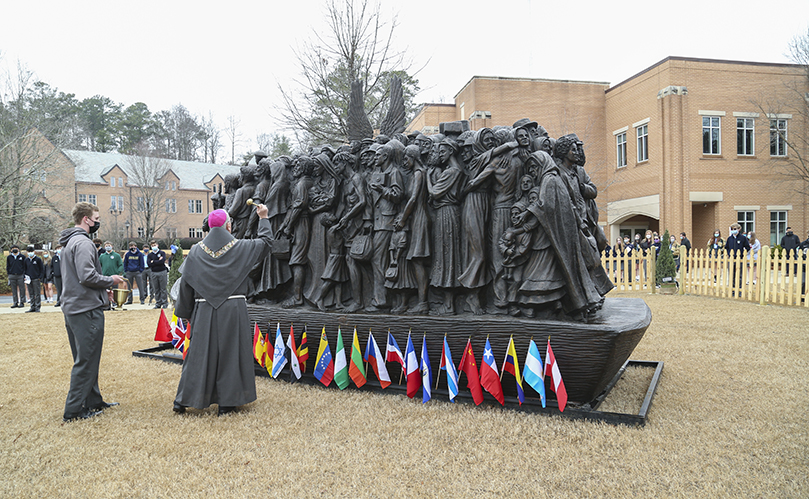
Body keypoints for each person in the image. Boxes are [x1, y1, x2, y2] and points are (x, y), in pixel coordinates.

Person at [172, 206, 272, 416]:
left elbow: (186, 285)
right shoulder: (241, 247)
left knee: (199, 354)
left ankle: (185, 400)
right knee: (231, 352)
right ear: (228, 226)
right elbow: (266, 243)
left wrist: (187, 312)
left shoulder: (196, 251)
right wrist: (263, 218)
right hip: (233, 308)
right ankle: (227, 403)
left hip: (203, 308)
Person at [59, 201, 125, 422]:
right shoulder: (84, 244)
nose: (98, 223)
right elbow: (86, 276)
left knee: (86, 357)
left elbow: (79, 278)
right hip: (85, 310)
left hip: (75, 307)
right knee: (86, 360)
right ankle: (74, 411)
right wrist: (111, 280)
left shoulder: (69, 243)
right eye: (96, 219)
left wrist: (101, 290)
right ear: (86, 219)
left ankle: (94, 401)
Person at [100, 241, 124, 309]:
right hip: (105, 276)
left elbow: (120, 265)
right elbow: (99, 265)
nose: (108, 247)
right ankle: (106, 304)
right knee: (105, 291)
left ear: (112, 246)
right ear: (104, 247)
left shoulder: (116, 255)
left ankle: (115, 303)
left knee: (114, 290)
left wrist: (118, 272)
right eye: (106, 245)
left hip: (114, 277)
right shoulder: (102, 256)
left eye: (109, 245)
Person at [725, 223, 750, 290]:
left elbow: (747, 247)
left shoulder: (743, 238)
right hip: (731, 259)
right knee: (731, 274)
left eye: (735, 229)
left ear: (739, 229)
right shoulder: (729, 238)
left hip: (740, 259)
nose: (733, 230)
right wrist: (729, 254)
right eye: (732, 229)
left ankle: (739, 289)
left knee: (739, 275)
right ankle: (732, 289)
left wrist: (743, 253)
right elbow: (726, 247)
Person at [146, 240, 168, 309]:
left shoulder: (162, 253)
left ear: (157, 245)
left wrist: (154, 261)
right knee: (156, 289)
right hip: (153, 272)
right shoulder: (150, 255)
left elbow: (162, 261)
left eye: (155, 245)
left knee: (163, 288)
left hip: (162, 271)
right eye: (152, 246)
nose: (154, 247)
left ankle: (165, 303)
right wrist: (157, 261)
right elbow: (149, 264)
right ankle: (158, 303)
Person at [24, 246, 44, 313]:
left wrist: (40, 277)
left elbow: (42, 269)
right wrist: (24, 276)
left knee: (37, 293)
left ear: (34, 252)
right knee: (31, 293)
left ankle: (37, 307)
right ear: (27, 252)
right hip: (28, 279)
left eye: (31, 252)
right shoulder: (26, 260)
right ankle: (32, 307)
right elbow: (24, 269)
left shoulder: (38, 259)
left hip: (36, 278)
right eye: (29, 252)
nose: (30, 253)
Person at [7, 244, 27, 308]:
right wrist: (9, 274)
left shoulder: (22, 257)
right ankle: (15, 302)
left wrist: (24, 275)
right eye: (13, 248)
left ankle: (22, 302)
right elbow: (8, 266)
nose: (15, 249)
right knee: (14, 289)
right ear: (11, 250)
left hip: (20, 275)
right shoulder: (9, 257)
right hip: (12, 275)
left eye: (16, 248)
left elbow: (24, 266)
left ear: (18, 249)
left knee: (22, 289)